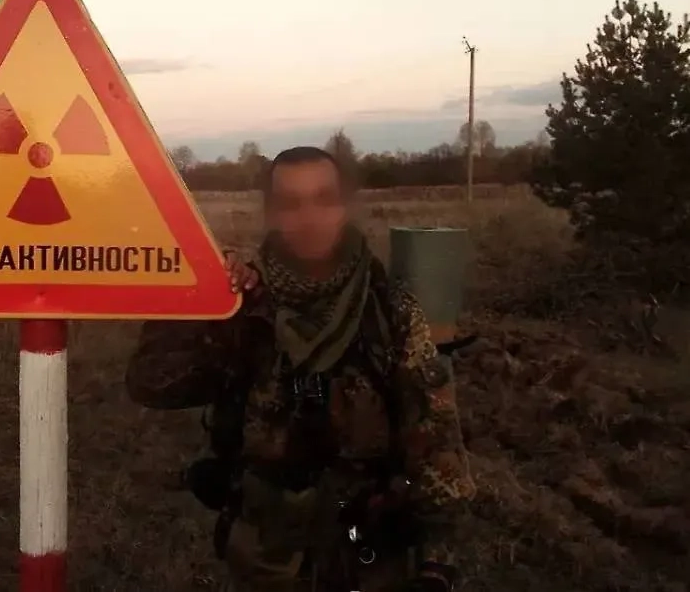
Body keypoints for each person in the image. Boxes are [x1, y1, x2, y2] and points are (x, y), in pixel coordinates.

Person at [126, 146, 475, 592]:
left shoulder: (390, 314)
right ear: (271, 214)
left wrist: (435, 570)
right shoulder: (244, 307)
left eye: (323, 199)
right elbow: (151, 384)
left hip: (367, 557)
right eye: (291, 204)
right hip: (264, 558)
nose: (309, 218)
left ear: (344, 206)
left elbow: (437, 447)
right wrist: (197, 290)